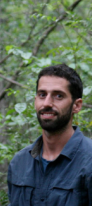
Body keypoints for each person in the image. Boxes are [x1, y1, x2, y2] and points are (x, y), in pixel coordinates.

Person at [7, 64, 92, 206]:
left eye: (58, 96)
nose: (47, 103)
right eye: (42, 95)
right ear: (35, 101)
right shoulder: (19, 163)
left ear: (76, 106)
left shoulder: (89, 162)